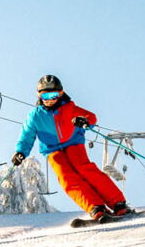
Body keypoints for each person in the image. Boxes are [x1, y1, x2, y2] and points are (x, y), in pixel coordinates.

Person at [12, 74, 132, 223]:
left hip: (73, 143)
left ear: (61, 94)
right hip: (52, 150)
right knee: (66, 178)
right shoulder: (35, 116)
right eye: (45, 96)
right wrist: (20, 152)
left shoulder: (69, 108)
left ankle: (118, 203)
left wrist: (84, 121)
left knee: (84, 168)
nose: (49, 99)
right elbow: (26, 135)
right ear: (39, 96)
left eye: (53, 95)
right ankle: (96, 207)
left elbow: (91, 117)